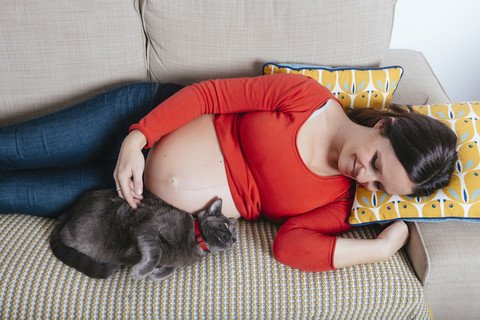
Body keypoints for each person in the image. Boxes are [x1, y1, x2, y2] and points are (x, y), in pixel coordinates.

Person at [0, 74, 458, 272]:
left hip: (127, 201)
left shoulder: (337, 200)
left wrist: (379, 249)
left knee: (14, 192)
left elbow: (290, 246)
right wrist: (136, 140)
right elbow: (209, 96)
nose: (364, 177)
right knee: (12, 146)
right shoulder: (306, 97)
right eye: (377, 162)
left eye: (378, 186)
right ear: (384, 126)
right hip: (135, 123)